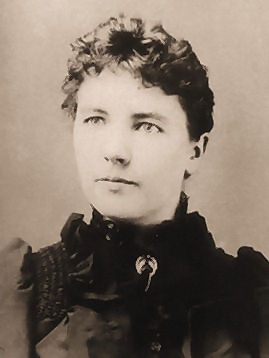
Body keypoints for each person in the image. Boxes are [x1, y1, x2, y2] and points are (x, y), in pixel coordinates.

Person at [0, 14, 269, 358]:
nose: (114, 152)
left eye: (146, 126)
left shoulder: (252, 302)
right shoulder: (21, 296)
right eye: (95, 119)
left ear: (195, 150)